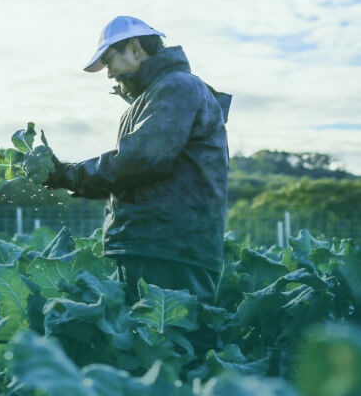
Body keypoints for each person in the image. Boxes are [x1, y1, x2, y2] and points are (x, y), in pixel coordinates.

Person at [41, 16, 231, 305]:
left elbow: (141, 159)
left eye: (108, 61)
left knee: (174, 343)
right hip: (153, 245)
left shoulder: (177, 86)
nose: (108, 74)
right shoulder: (161, 92)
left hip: (169, 248)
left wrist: (67, 175)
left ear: (134, 48)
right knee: (147, 342)